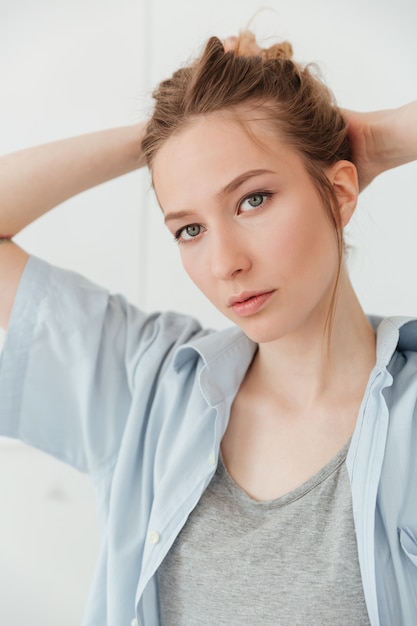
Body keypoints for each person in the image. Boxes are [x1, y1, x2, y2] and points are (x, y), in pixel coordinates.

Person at [0, 30, 416, 626]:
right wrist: (166, 138)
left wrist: (380, 139)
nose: (225, 264)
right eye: (188, 228)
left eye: (252, 200)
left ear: (340, 188)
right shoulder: (148, 389)